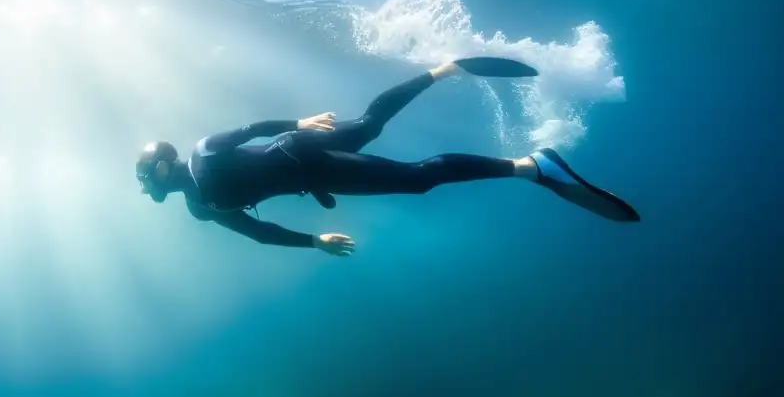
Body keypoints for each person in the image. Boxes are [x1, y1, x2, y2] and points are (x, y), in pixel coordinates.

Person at [135, 60, 639, 256]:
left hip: (304, 152)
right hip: (309, 169)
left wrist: (299, 123)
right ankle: (444, 70)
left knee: (418, 178)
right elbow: (258, 232)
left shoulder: (202, 156)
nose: (149, 188)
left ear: (161, 166)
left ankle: (531, 165)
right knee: (375, 127)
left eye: (147, 178)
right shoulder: (201, 208)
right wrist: (315, 240)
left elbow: (247, 131)